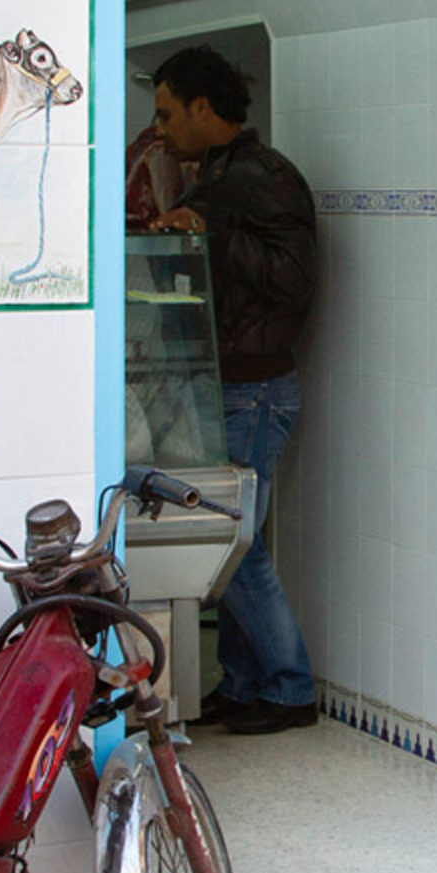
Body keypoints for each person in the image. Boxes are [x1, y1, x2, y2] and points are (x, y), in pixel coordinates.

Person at [149, 45, 321, 734]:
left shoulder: (264, 178)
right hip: (232, 382)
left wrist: (208, 232)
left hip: (254, 388)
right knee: (231, 538)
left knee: (234, 543)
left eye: (166, 112)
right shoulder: (221, 173)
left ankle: (288, 686)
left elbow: (294, 280)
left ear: (201, 106)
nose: (158, 126)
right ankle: (246, 681)